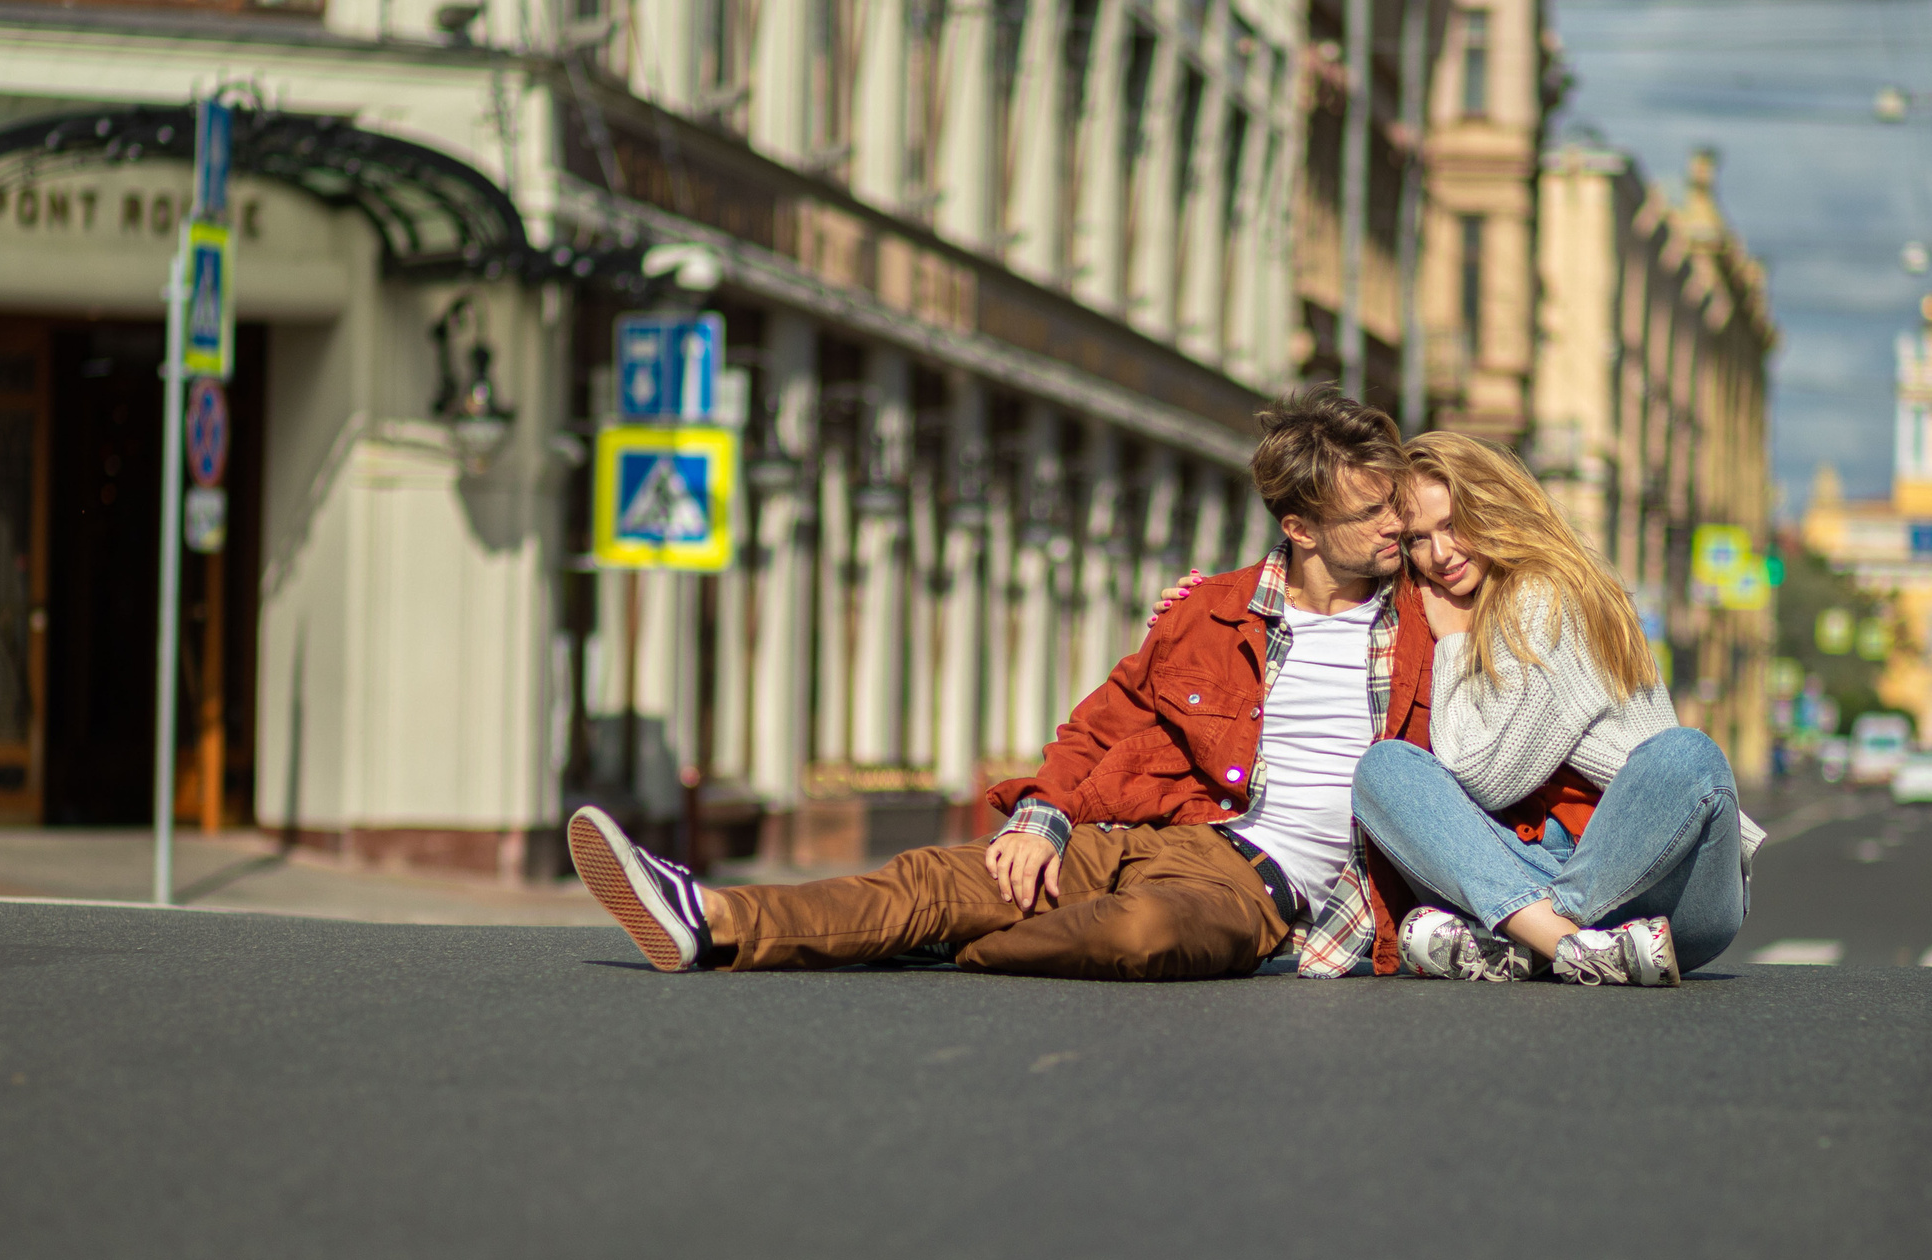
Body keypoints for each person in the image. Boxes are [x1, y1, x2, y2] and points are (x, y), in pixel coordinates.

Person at [566, 388, 1436, 979]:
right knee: (937, 876)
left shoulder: (1433, 623)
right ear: (1302, 528)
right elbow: (1102, 727)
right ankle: (708, 915)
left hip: (1258, 891)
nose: (1399, 525)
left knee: (1140, 934)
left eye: (1396, 504)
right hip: (1161, 834)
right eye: (1373, 514)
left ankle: (950, 942)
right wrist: (1044, 817)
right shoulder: (1211, 610)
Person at [1349, 430, 1763, 985]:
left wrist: (1450, 646)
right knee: (1384, 771)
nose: (1439, 554)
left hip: (1665, 889)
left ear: (1495, 506)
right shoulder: (1470, 599)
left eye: (1452, 524)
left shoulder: (1544, 593)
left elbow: (1487, 778)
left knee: (1688, 756)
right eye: (1418, 539)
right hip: (1546, 879)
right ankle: (1574, 949)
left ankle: (1538, 940)